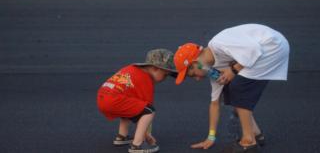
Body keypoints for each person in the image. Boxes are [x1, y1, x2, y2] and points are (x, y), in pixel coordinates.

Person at [173, 24, 290, 153]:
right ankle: (256, 133)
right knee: (229, 89)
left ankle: (248, 142)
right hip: (265, 51)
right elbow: (214, 103)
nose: (197, 79)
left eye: (193, 74)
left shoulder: (219, 43)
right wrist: (211, 137)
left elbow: (254, 50)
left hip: (273, 46)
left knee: (239, 86)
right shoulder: (213, 69)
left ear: (196, 64)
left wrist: (234, 70)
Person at [97, 49, 177, 153]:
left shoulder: (131, 68)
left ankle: (122, 136)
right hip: (113, 99)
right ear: (155, 68)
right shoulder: (146, 80)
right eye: (165, 75)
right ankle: (137, 145)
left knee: (131, 105)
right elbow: (147, 107)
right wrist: (147, 134)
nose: (165, 79)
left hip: (102, 96)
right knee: (149, 110)